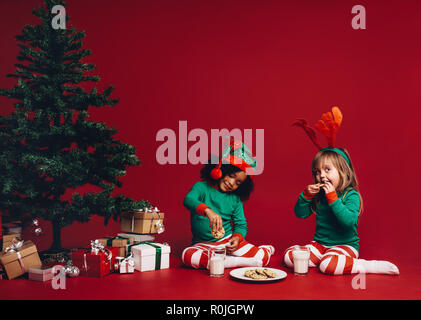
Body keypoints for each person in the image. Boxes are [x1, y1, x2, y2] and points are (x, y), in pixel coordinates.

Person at [284, 107, 399, 275]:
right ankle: (327, 259)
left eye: (327, 170)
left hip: (346, 246)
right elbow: (300, 214)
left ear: (343, 171)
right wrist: (307, 196)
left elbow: (348, 221)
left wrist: (333, 197)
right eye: (317, 172)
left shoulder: (351, 195)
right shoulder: (320, 195)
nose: (321, 175)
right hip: (320, 245)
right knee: (289, 257)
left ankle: (365, 266)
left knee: (328, 266)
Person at [182, 139, 274, 269]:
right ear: (221, 168)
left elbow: (241, 225)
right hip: (203, 245)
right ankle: (236, 262)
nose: (231, 183)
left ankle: (261, 251)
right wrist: (208, 210)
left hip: (227, 242)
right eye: (231, 176)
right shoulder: (201, 187)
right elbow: (188, 200)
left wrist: (236, 239)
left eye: (238, 183)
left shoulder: (235, 199)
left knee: (263, 257)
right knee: (188, 256)